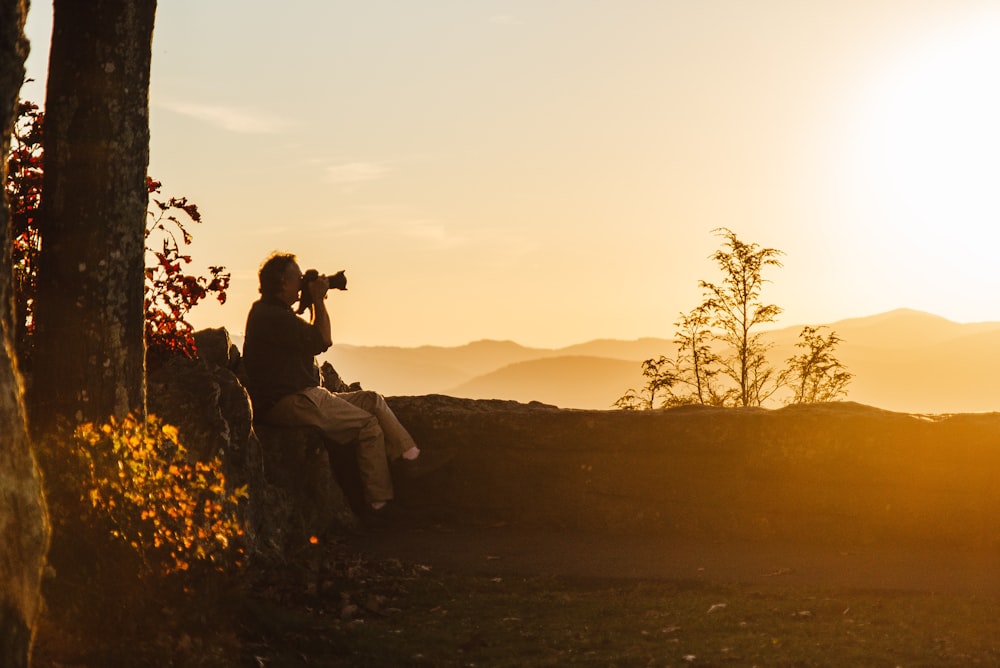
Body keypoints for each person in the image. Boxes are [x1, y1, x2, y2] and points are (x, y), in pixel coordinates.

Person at [242, 251, 445, 520]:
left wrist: (313, 301)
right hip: (290, 401)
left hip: (303, 396)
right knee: (367, 425)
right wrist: (317, 300)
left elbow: (312, 337)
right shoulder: (271, 316)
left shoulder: (274, 313)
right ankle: (379, 505)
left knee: (372, 399)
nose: (302, 281)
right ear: (282, 282)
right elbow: (322, 340)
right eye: (298, 277)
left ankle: (410, 457)